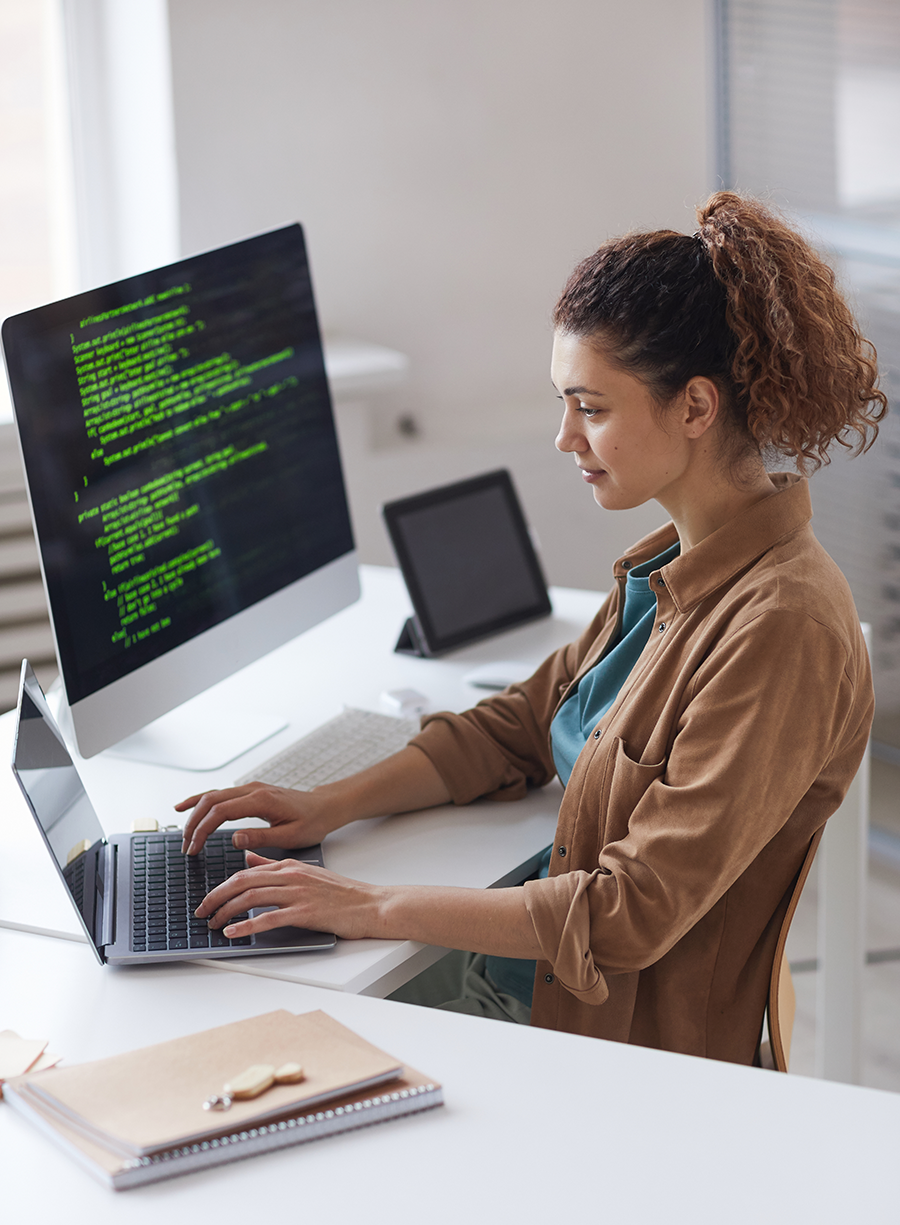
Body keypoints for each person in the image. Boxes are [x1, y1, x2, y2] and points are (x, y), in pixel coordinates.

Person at [177, 192, 884, 1066]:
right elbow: (514, 727)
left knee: (255, 1040)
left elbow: (627, 912)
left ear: (695, 408)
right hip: (518, 986)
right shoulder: (670, 567)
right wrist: (325, 806)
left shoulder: (784, 630)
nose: (564, 437)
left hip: (602, 1045)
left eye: (590, 407)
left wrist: (371, 906)